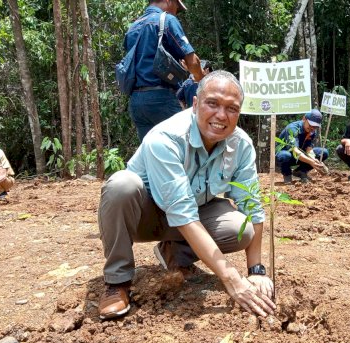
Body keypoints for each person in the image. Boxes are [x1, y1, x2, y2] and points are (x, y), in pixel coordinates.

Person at [97, 70, 275, 320]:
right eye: (212, 103)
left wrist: (255, 270)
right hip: (143, 217)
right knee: (121, 185)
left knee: (241, 229)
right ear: (195, 104)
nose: (221, 116)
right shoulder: (166, 137)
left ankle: (175, 253)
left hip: (192, 214)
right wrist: (231, 278)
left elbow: (251, 206)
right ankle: (118, 282)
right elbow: (182, 213)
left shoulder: (241, 145)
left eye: (231, 108)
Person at [124, 0, 205, 142]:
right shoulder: (166, 20)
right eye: (177, 8)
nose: (176, 12)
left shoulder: (133, 27)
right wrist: (202, 80)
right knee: (184, 148)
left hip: (136, 101)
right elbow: (192, 62)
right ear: (168, 1)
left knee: (151, 152)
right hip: (161, 98)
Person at [275, 109, 329, 184]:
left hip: (301, 155)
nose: (312, 128)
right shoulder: (292, 128)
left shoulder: (312, 131)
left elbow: (308, 148)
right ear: (304, 119)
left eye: (315, 126)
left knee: (323, 152)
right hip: (289, 155)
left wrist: (314, 160)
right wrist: (311, 162)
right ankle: (287, 175)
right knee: (284, 155)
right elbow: (295, 151)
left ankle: (301, 171)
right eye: (310, 125)